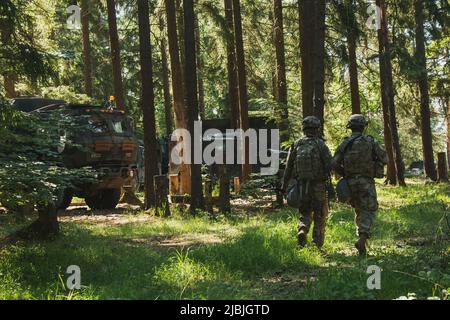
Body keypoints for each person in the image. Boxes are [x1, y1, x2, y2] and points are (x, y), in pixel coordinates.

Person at [332, 114, 388, 255]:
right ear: (364, 127)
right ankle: (363, 237)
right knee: (368, 209)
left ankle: (361, 239)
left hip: (350, 182)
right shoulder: (370, 142)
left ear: (349, 127)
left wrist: (344, 174)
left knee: (358, 209)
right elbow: (385, 158)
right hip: (366, 182)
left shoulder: (345, 143)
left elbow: (334, 163)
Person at [282, 116, 332, 248]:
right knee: (319, 215)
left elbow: (288, 167)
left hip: (301, 186)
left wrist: (284, 185)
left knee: (305, 212)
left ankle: (302, 230)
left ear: (303, 129)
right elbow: (329, 164)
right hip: (318, 186)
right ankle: (317, 245)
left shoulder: (297, 144)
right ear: (317, 129)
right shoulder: (320, 144)